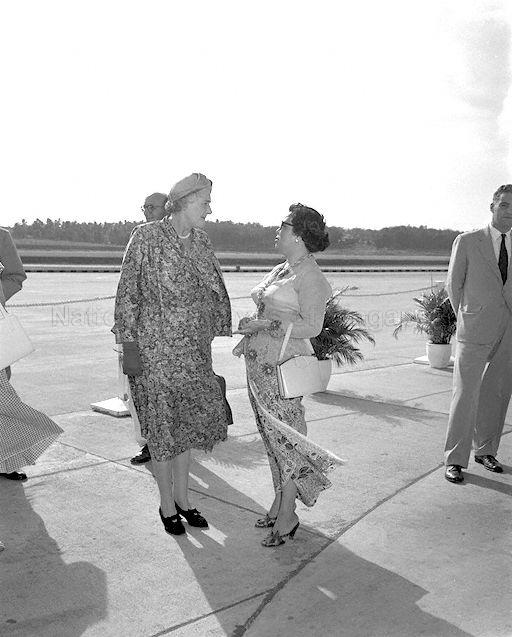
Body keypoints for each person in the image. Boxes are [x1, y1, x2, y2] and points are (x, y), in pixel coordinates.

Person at [113, 173, 232, 535]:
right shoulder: (146, 237)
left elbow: (214, 290)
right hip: (154, 355)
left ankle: (184, 499)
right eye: (204, 202)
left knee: (187, 428)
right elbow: (127, 293)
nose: (209, 210)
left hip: (193, 354)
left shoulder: (201, 241)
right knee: (163, 432)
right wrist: (130, 347)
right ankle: (167, 504)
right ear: (182, 202)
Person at [233, 203, 343, 547]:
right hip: (259, 366)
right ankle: (280, 503)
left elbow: (312, 325)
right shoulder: (284, 268)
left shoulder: (311, 277)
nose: (276, 233)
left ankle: (288, 516)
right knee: (271, 441)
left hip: (281, 370)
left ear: (297, 235)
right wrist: (253, 327)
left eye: (282, 228)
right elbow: (267, 305)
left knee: (287, 440)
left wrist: (267, 324)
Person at [444, 184, 512, 483]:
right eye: (505, 205)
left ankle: (486, 450)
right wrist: (467, 317)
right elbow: (453, 285)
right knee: (465, 394)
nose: (510, 212)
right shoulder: (469, 241)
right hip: (473, 328)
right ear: (492, 206)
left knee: (497, 393)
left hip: (509, 330)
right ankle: (455, 459)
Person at [129, 192, 169, 466]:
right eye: (144, 207)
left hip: (169, 333)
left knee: (165, 392)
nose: (146, 211)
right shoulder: (139, 235)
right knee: (140, 391)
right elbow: (129, 283)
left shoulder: (181, 238)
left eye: (151, 207)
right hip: (140, 330)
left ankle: (166, 443)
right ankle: (150, 443)